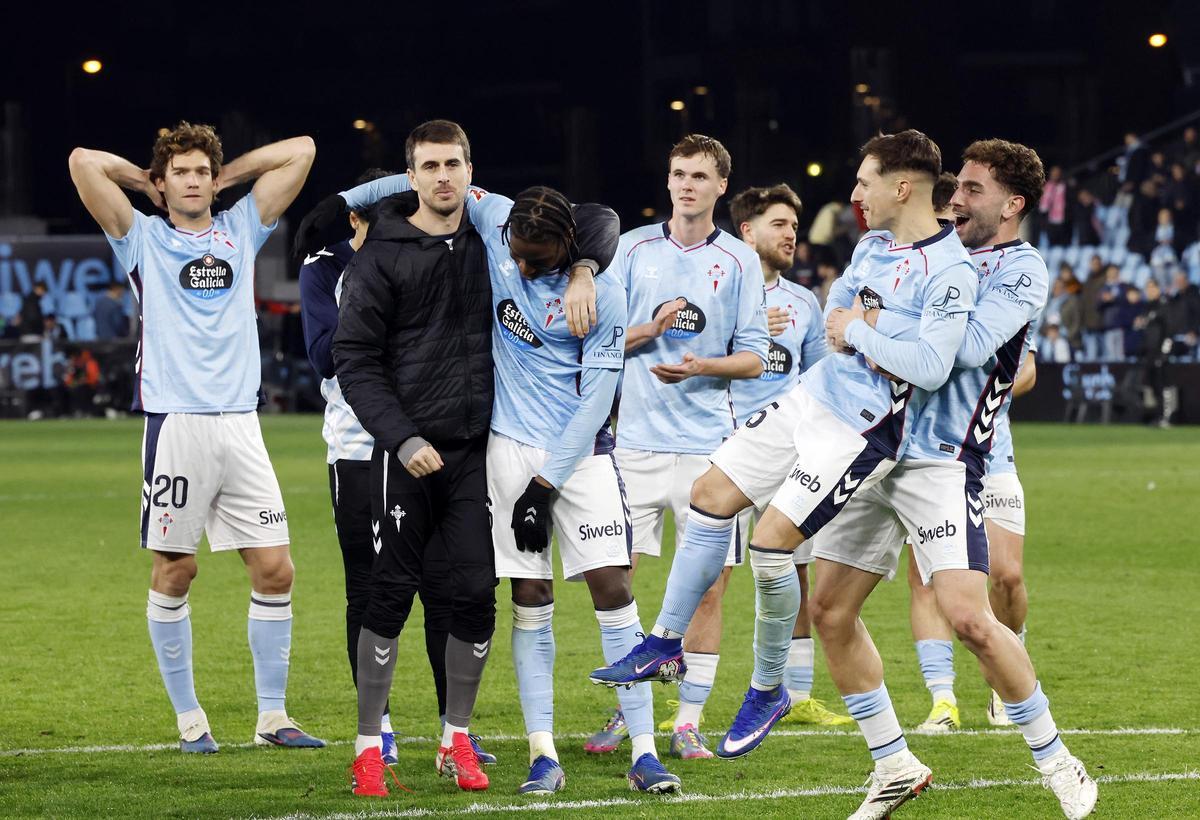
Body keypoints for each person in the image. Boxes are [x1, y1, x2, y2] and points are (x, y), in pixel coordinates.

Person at [591, 130, 976, 767]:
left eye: (864, 180)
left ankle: (769, 687)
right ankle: (663, 641)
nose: (854, 193)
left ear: (901, 187)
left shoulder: (950, 267)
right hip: (811, 394)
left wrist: (861, 331)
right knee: (710, 494)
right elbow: (839, 316)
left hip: (860, 424)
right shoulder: (873, 246)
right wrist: (857, 329)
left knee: (772, 545)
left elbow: (930, 365)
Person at [819, 138, 1095, 819]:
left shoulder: (1022, 270)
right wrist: (865, 322)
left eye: (971, 190)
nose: (957, 199)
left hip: (946, 454)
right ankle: (893, 762)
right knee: (828, 609)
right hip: (872, 442)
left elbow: (965, 352)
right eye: (955, 188)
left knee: (974, 612)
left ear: (1012, 203)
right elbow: (839, 311)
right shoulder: (927, 248)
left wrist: (871, 323)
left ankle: (1055, 757)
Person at [332, 120, 602, 797]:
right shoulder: (382, 254)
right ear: (412, 175)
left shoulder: (493, 235)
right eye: (430, 165)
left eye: (453, 163)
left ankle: (458, 738)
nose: (443, 176)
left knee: (475, 597)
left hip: (475, 453)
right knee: (389, 595)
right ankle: (369, 744)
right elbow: (355, 362)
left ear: (469, 170)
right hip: (407, 455)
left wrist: (582, 268)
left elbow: (594, 219)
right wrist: (402, 437)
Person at [68, 121, 322, 753]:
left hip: (241, 423)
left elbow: (303, 151)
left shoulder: (241, 228)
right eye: (180, 171)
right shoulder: (142, 237)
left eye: (200, 172)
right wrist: (146, 183)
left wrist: (227, 174)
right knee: (177, 571)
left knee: (275, 568)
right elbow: (82, 160)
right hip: (175, 421)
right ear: (163, 180)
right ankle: (190, 721)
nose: (193, 181)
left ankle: (272, 718)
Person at [297, 169, 496, 770]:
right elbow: (330, 357)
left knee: (446, 587)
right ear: (357, 220)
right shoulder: (325, 269)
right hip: (357, 449)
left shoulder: (444, 253)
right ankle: (377, 725)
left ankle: (450, 729)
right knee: (372, 586)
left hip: (432, 443)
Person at [583, 134, 770, 761]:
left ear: (721, 186)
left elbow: (755, 359)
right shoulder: (631, 250)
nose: (685, 184)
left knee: (709, 587)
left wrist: (702, 367)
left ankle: (687, 719)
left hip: (708, 453)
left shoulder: (742, 261)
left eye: (698, 176)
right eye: (676, 174)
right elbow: (601, 342)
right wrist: (652, 331)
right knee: (620, 581)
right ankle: (626, 712)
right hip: (633, 445)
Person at [727, 183, 850, 728]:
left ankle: (796, 696)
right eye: (778, 224)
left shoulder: (803, 301)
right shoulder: (721, 291)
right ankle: (683, 705)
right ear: (747, 231)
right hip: (726, 448)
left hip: (790, 451)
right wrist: (742, 337)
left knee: (794, 570)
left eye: (793, 227)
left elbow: (821, 377)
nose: (789, 235)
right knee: (713, 574)